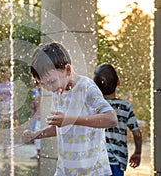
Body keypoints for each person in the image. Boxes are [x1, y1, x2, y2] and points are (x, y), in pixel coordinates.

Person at [22, 42, 118, 175]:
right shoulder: (59, 91)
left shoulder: (87, 88)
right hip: (66, 169)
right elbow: (61, 126)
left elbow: (111, 119)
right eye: (43, 84)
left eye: (51, 82)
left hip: (92, 170)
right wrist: (36, 135)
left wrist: (70, 120)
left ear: (68, 70)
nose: (49, 88)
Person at [94, 63, 142, 176]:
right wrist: (138, 152)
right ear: (118, 82)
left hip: (97, 161)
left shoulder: (95, 106)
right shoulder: (125, 107)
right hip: (117, 161)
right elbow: (137, 133)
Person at [28, 80, 41, 160]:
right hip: (39, 118)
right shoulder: (37, 95)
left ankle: (39, 154)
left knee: (38, 136)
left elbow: (36, 109)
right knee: (37, 137)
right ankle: (38, 154)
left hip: (40, 119)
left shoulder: (37, 96)